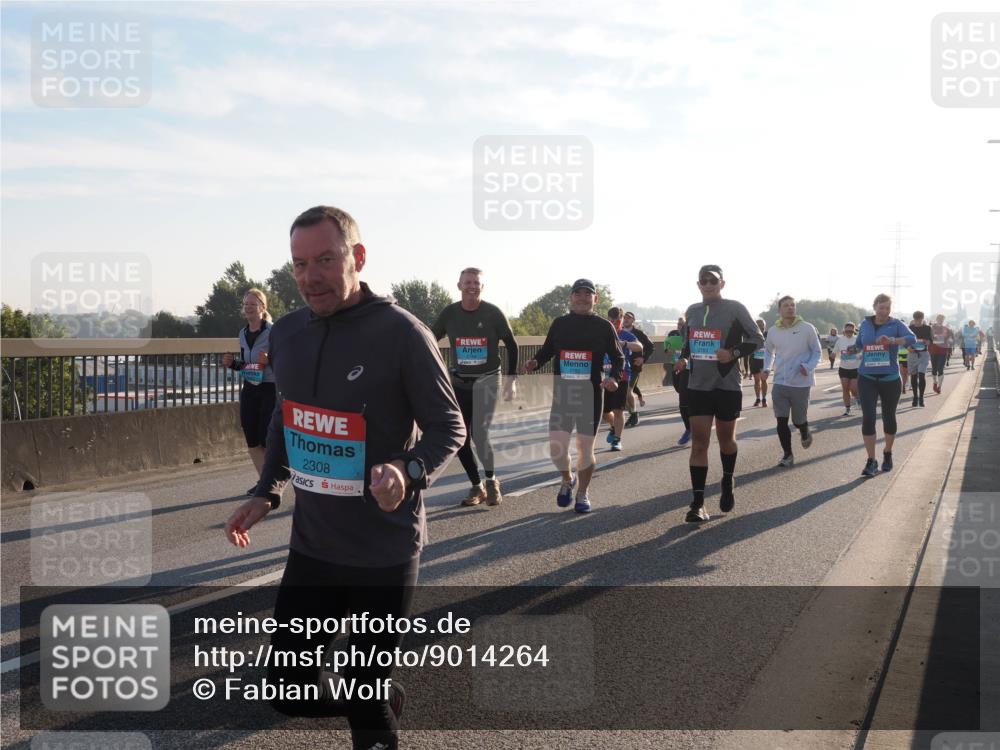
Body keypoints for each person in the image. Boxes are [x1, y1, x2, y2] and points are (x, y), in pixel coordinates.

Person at [223, 205, 465, 750]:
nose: (310, 277)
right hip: (314, 549)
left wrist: (409, 469)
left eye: (325, 260)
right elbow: (287, 416)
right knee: (286, 691)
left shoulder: (403, 333)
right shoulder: (285, 333)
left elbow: (450, 425)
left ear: (357, 257)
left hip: (384, 551)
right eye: (300, 264)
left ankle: (373, 703)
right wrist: (267, 491)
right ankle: (378, 696)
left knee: (363, 695)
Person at [522, 279, 624, 513]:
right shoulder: (560, 324)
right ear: (570, 298)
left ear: (595, 299)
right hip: (563, 395)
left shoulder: (603, 326)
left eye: (587, 294)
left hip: (591, 395)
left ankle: (582, 493)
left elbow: (618, 358)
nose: (582, 298)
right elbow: (547, 350)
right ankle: (568, 479)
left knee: (585, 450)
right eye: (577, 294)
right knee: (557, 449)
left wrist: (614, 378)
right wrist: (535, 362)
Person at [673, 265, 763, 522]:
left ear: (722, 283)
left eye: (714, 281)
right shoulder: (692, 311)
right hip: (698, 385)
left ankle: (727, 480)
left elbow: (758, 339)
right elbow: (689, 343)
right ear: (698, 284)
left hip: (726, 385)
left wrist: (732, 353)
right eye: (704, 281)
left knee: (726, 441)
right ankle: (697, 504)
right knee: (699, 443)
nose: (709, 285)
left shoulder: (735, 308)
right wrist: (682, 359)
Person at [432, 268, 518, 507]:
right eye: (467, 282)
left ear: (482, 287)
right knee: (460, 437)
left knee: (480, 433)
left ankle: (491, 481)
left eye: (476, 283)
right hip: (460, 382)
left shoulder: (493, 313)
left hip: (488, 379)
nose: (472, 286)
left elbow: (512, 345)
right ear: (459, 285)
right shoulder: (449, 313)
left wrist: (512, 380)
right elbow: (429, 339)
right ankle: (476, 485)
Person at [848, 293, 916, 477]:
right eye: (881, 307)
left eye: (887, 308)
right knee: (868, 417)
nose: (884, 311)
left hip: (890, 379)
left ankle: (887, 452)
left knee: (888, 417)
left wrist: (893, 340)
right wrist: (852, 349)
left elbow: (912, 339)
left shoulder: (896, 324)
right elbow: (859, 344)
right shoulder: (865, 324)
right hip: (867, 377)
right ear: (875, 307)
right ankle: (871, 460)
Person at [222, 288, 276, 496]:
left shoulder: (273, 332)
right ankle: (265, 483)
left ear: (262, 308)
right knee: (251, 438)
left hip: (270, 388)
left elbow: (287, 361)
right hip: (250, 389)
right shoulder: (242, 333)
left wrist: (270, 359)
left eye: (253, 304)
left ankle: (271, 481)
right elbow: (247, 365)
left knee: (265, 438)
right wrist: (232, 363)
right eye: (246, 305)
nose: (249, 308)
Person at [763, 296, 822, 467]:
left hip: (801, 382)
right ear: (779, 310)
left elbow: (817, 351)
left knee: (798, 420)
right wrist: (767, 368)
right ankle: (787, 455)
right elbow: (768, 351)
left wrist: (808, 366)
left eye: (793, 305)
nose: (790, 308)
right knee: (781, 420)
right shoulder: (773, 331)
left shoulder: (807, 328)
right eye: (786, 306)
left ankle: (804, 430)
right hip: (780, 381)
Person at [601, 307, 642, 450]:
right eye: (611, 320)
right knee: (604, 412)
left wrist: (625, 344)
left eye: (617, 320)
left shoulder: (625, 334)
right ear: (608, 320)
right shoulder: (602, 333)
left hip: (622, 376)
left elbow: (639, 346)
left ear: (622, 320)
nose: (614, 323)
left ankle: (617, 440)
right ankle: (613, 426)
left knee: (618, 410)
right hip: (605, 377)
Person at [622, 311, 654, 427]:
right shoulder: (617, 332)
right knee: (622, 394)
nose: (626, 320)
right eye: (624, 317)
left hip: (634, 367)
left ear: (633, 320)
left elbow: (650, 346)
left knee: (627, 390)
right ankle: (632, 414)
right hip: (620, 367)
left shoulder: (638, 334)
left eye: (628, 318)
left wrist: (643, 359)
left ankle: (634, 415)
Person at [663, 317, 691, 444]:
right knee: (682, 398)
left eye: (682, 323)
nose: (680, 326)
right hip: (681, 366)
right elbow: (668, 347)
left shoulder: (706, 327)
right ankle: (689, 428)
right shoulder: (678, 332)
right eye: (679, 324)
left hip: (699, 369)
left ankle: (694, 429)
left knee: (691, 399)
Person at [831, 321, 860, 415]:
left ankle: (857, 398)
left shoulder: (857, 340)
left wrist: (860, 355)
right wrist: (833, 355)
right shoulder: (840, 340)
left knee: (854, 389)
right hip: (844, 368)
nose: (849, 333)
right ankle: (847, 409)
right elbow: (834, 351)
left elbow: (863, 351)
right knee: (845, 388)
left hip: (855, 368)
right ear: (844, 330)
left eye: (851, 331)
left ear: (854, 331)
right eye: (847, 331)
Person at [908, 311, 932, 407]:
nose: (918, 322)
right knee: (913, 376)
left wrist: (927, 342)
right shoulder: (910, 328)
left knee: (921, 375)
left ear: (922, 319)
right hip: (912, 354)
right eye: (916, 320)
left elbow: (930, 340)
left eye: (920, 320)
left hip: (923, 354)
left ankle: (921, 398)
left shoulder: (927, 328)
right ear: (914, 319)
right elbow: (906, 340)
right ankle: (915, 397)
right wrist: (908, 347)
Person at [929, 314, 952, 394]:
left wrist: (939, 338)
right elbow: (932, 338)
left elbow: (948, 338)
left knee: (940, 369)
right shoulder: (932, 328)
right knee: (934, 369)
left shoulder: (947, 329)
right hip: (934, 350)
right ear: (937, 319)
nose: (941, 320)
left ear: (944, 320)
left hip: (943, 351)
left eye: (942, 319)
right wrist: (940, 338)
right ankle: (935, 382)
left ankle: (939, 387)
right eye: (939, 319)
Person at [750, 319, 769, 407]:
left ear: (765, 326)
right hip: (754, 360)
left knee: (764, 380)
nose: (760, 326)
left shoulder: (768, 335)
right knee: (757, 380)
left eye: (762, 325)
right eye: (758, 325)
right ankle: (758, 399)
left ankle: (764, 399)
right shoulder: (752, 335)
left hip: (764, 360)